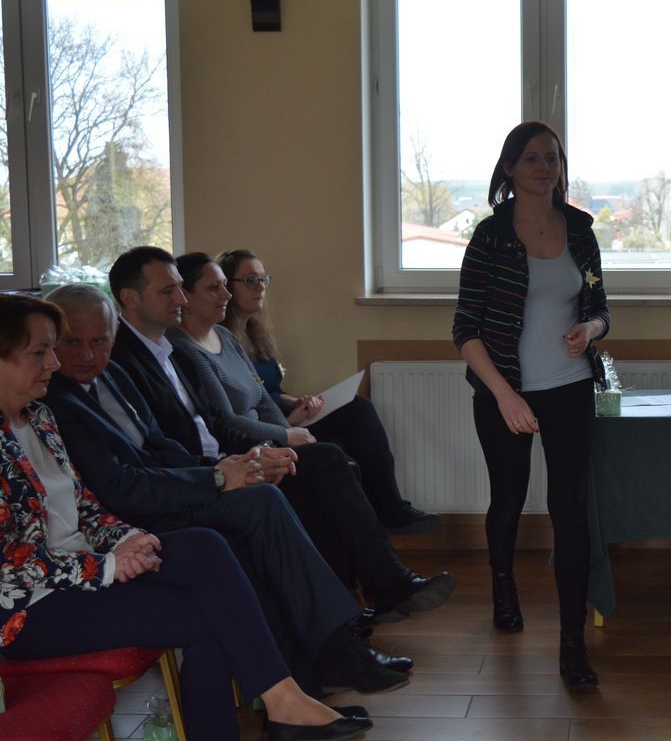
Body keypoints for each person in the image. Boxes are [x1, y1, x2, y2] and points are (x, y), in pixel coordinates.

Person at [0, 292, 371, 741]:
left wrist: (125, 539)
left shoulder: (39, 418)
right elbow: (8, 562)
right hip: (30, 609)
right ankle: (285, 702)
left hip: (85, 570)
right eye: (40, 352)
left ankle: (285, 701)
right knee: (209, 616)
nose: (55, 363)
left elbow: (85, 507)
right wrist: (107, 565)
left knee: (204, 547)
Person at [105, 246, 455, 619]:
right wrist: (280, 441)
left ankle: (362, 593)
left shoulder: (210, 340)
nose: (225, 295)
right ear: (133, 299)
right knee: (325, 463)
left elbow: (260, 395)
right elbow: (220, 423)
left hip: (247, 446)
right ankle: (377, 590)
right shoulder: (175, 351)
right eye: (211, 288)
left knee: (345, 432)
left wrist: (287, 431)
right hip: (223, 459)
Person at [452, 121, 611, 689]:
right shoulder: (490, 237)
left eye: (553, 158)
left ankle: (573, 643)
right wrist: (505, 396)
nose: (546, 168)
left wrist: (590, 329)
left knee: (572, 513)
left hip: (571, 388)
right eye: (533, 158)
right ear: (510, 168)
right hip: (504, 392)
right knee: (509, 499)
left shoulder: (581, 230)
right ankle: (503, 586)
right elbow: (465, 329)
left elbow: (601, 306)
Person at [173, 249, 438, 535]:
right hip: (260, 435)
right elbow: (229, 417)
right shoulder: (198, 344)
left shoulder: (241, 333)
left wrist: (292, 409)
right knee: (334, 453)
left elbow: (264, 393)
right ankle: (379, 525)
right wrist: (287, 431)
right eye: (249, 281)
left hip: (279, 421)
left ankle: (390, 508)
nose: (259, 287)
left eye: (262, 279)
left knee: (358, 409)